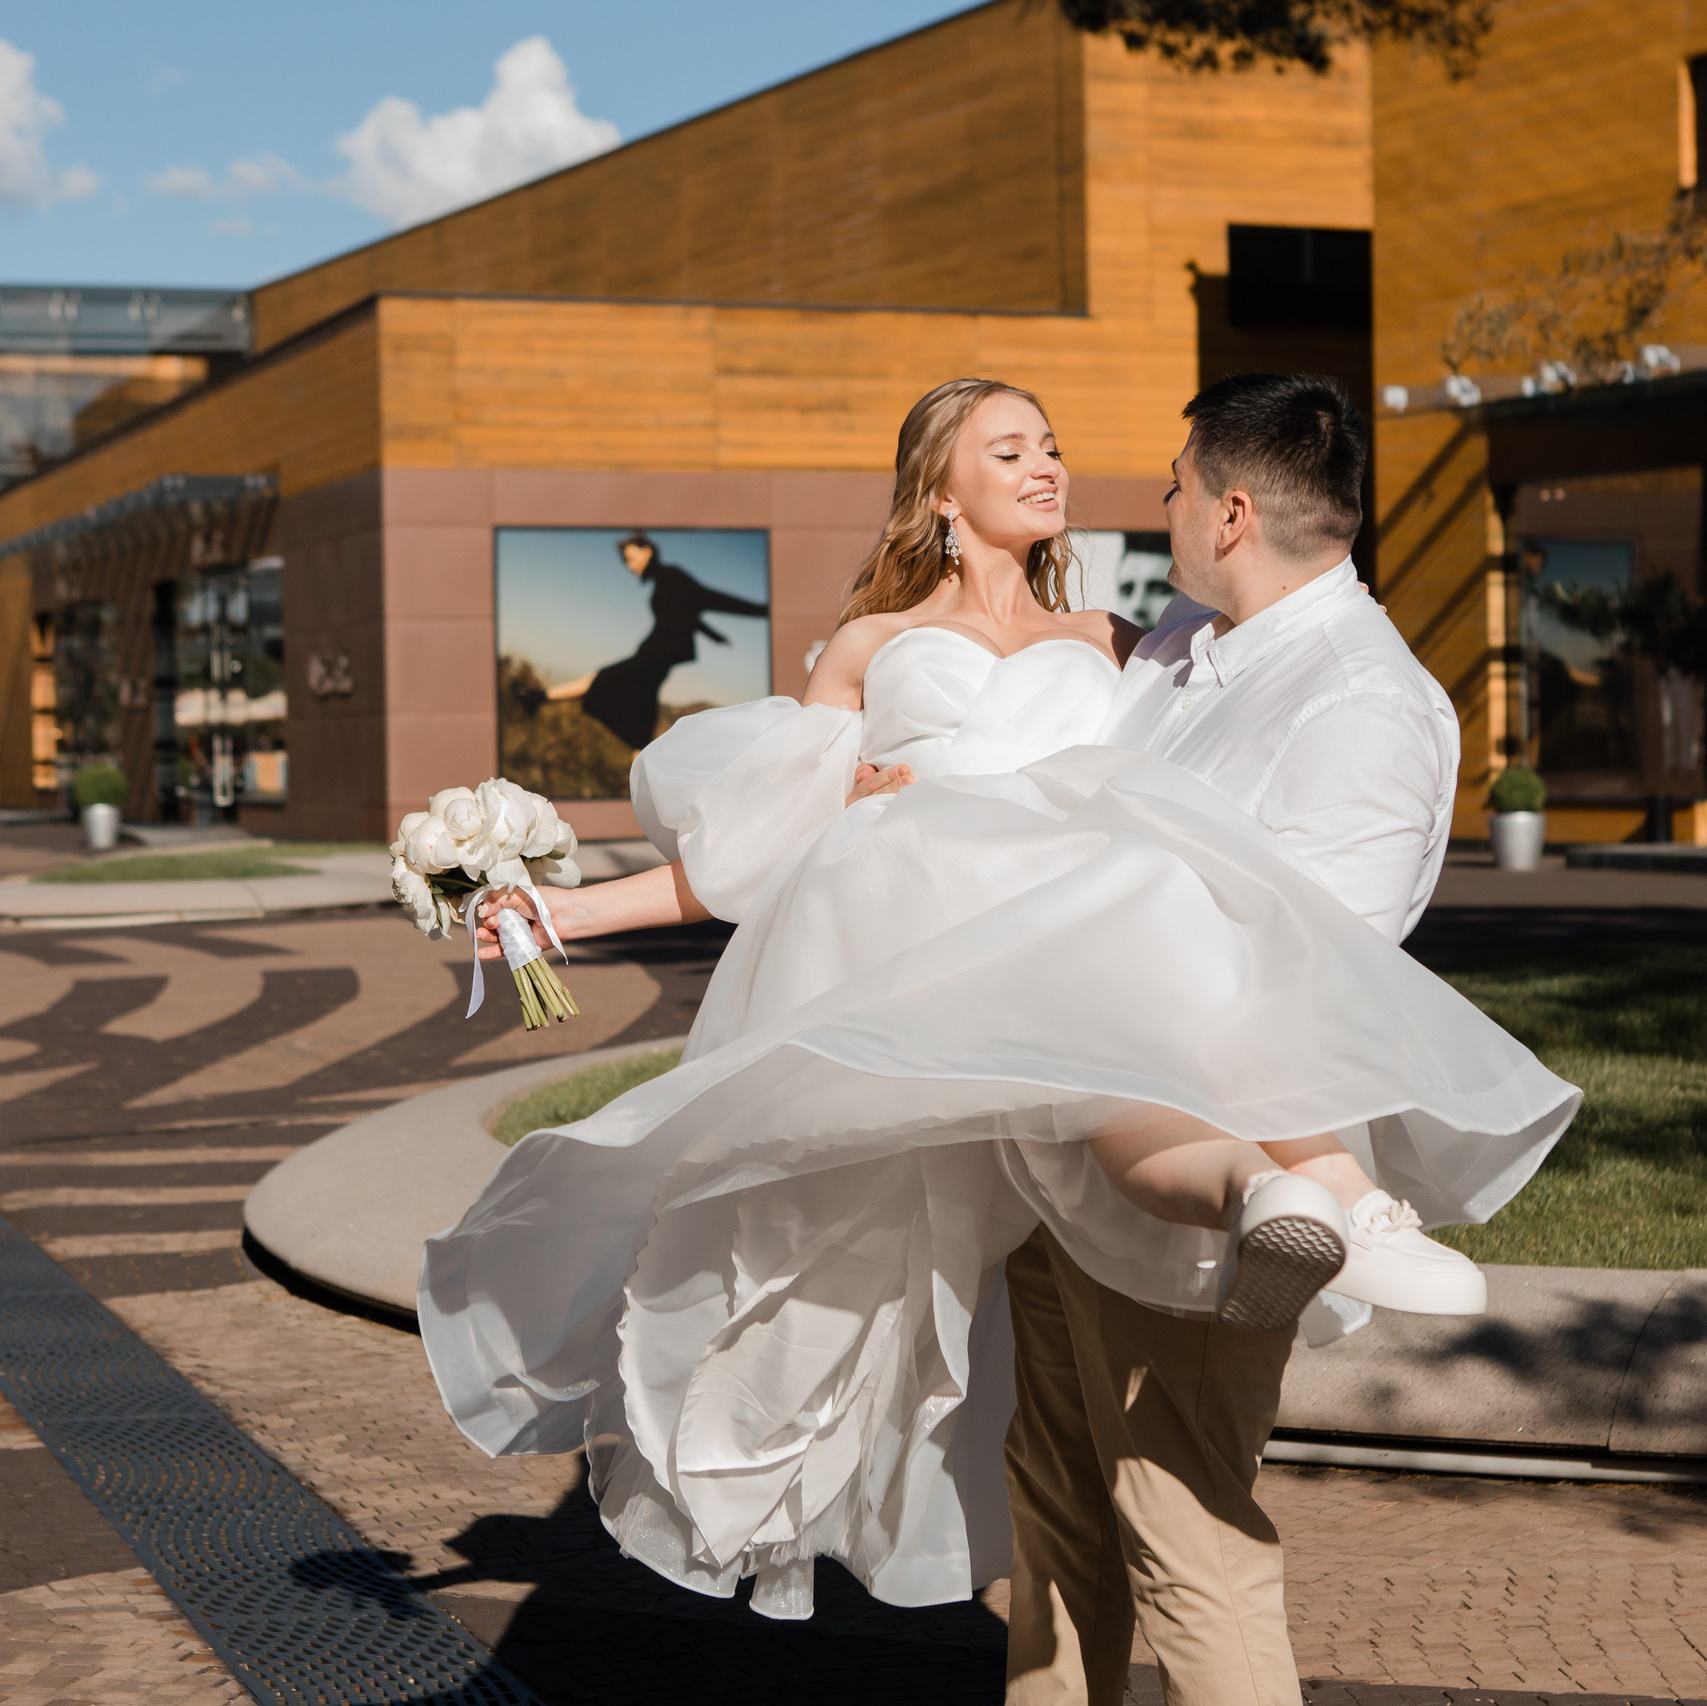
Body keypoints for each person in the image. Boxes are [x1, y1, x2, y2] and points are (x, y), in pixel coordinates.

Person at [419, 377, 1577, 1682]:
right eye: (1007, 448)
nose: (1056, 469)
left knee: (1177, 1531)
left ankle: (1310, 1191)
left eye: (1056, 444)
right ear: (937, 494)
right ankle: (1295, 1194)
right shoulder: (931, 647)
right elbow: (748, 851)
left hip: (1119, 1034)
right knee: (1052, 1508)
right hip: (1000, 1085)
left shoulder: (1121, 642)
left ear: (1229, 508)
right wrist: (552, 913)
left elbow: (1277, 924)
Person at [552, 532, 771, 751]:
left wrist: (762, 610)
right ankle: (538, 697)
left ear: (647, 551)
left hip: (654, 657)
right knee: (639, 718)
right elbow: (690, 618)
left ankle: (536, 697)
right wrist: (717, 637)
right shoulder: (663, 581)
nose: (630, 567)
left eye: (631, 559)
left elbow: (707, 598)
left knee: (603, 680)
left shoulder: (671, 577)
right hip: (654, 657)